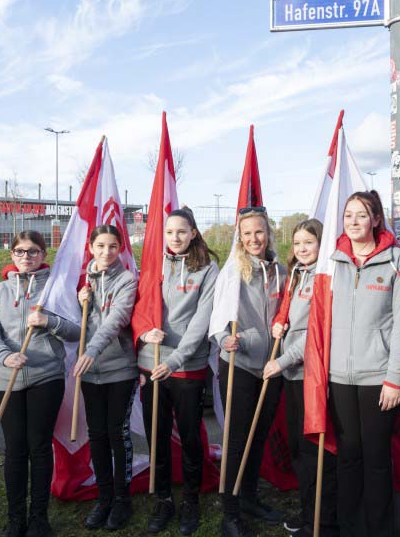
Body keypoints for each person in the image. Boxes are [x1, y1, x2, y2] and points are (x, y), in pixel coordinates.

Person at [0, 231, 80, 537]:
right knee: (14, 449)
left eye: (33, 251)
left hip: (45, 377)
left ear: (43, 254)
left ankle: (38, 518)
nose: (26, 257)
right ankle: (15, 518)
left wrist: (49, 321)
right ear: (12, 254)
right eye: (20, 252)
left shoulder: (55, 290)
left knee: (39, 447)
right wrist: (3, 355)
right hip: (6, 378)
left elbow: (76, 330)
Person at [327, 191, 400, 537]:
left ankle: (379, 529)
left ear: (376, 219)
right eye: (348, 215)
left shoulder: (395, 259)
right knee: (348, 456)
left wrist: (394, 379)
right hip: (339, 377)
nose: (353, 222)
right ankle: (350, 527)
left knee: (377, 459)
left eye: (361, 215)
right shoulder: (332, 260)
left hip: (379, 378)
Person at [137, 209, 219, 535]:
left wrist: (175, 360)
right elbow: (140, 307)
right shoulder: (154, 266)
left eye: (182, 232)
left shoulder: (208, 270)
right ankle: (162, 499)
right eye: (170, 232)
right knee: (156, 435)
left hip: (186, 366)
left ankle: (190, 500)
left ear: (194, 233)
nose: (175, 238)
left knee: (189, 436)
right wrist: (144, 333)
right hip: (151, 362)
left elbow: (201, 323)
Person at [213, 207, 286, 537]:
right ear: (239, 238)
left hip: (270, 365)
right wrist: (223, 338)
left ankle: (250, 498)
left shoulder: (281, 270)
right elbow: (218, 317)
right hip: (239, 364)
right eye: (247, 234)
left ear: (268, 233)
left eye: (259, 232)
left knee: (259, 436)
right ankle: (230, 510)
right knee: (237, 439)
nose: (254, 238)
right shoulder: (232, 272)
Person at [262, 219, 338, 537]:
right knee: (298, 449)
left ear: (322, 244)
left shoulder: (324, 279)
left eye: (309, 242)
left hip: (312, 374)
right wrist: (278, 323)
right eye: (297, 243)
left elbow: (315, 333)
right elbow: (290, 318)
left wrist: (281, 361)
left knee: (314, 451)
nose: (302, 248)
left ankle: (323, 520)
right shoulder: (297, 275)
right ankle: (309, 512)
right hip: (293, 376)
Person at [72, 225, 139, 531]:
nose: (106, 252)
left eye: (113, 246)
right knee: (96, 434)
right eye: (100, 246)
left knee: (116, 432)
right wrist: (80, 298)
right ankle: (104, 496)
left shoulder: (127, 279)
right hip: (90, 372)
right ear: (91, 247)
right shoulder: (82, 280)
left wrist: (92, 351)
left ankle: (123, 498)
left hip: (118, 368)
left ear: (120, 248)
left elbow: (117, 319)